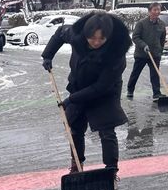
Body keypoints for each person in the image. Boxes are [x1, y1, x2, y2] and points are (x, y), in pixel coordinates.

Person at [41, 11, 132, 176]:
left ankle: (111, 170)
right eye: (92, 38)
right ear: (85, 34)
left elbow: (100, 87)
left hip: (105, 93)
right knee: (74, 127)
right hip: (79, 84)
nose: (96, 42)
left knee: (107, 130)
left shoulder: (116, 55)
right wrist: (48, 55)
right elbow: (60, 32)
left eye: (101, 39)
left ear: (109, 37)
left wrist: (71, 99)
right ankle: (77, 163)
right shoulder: (76, 35)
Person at [126, 2, 167, 100]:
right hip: (142, 54)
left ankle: (156, 93)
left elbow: (162, 39)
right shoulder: (142, 23)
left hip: (155, 54)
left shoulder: (161, 24)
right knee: (136, 73)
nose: (157, 12)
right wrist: (143, 45)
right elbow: (135, 37)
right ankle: (130, 90)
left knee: (155, 74)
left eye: (158, 10)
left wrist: (160, 50)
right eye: (154, 10)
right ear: (150, 11)